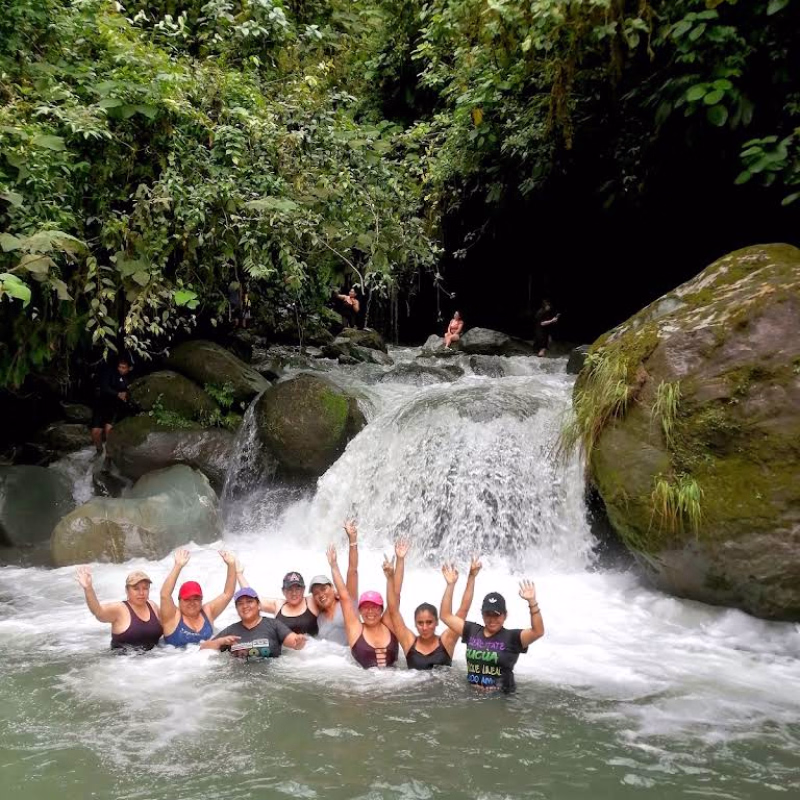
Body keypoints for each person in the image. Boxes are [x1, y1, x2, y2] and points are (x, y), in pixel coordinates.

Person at [236, 520, 361, 639]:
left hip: (323, 651)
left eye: (297, 589)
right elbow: (253, 598)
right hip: (295, 652)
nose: (294, 593)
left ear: (303, 590)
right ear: (283, 591)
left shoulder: (313, 602)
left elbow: (351, 574)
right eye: (290, 589)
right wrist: (239, 574)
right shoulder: (278, 605)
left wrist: (352, 541)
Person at [439, 565, 544, 693]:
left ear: (505, 615)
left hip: (501, 699)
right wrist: (451, 585)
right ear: (482, 614)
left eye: (496, 615)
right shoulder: (472, 631)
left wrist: (532, 602)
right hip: (472, 696)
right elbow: (445, 615)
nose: (492, 619)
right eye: (488, 614)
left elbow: (538, 631)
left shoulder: (512, 638)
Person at [382, 547, 480, 670]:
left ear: (437, 622)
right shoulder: (408, 642)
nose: (424, 627)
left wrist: (470, 577)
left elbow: (463, 610)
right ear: (415, 624)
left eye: (429, 622)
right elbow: (393, 610)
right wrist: (390, 577)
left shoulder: (447, 641)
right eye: (420, 623)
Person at [327, 543, 398, 669]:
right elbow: (344, 597)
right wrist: (334, 566)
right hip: (363, 680)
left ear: (381, 610)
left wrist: (391, 577)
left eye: (374, 607)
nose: (370, 611)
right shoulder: (355, 629)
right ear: (359, 611)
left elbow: (395, 598)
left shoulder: (389, 624)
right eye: (365, 607)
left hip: (398, 678)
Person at [200, 587, 307, 660]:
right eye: (240, 603)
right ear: (236, 609)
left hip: (271, 677)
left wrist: (299, 642)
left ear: (259, 605)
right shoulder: (231, 630)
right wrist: (221, 641)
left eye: (249, 601)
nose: (245, 606)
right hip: (239, 681)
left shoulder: (273, 625)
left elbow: (294, 642)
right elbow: (203, 647)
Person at [160, 549, 238, 647]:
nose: (192, 602)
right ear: (179, 600)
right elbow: (165, 595)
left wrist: (231, 565)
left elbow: (228, 594)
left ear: (201, 600)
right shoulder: (172, 617)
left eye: (196, 599)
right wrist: (178, 566)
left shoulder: (207, 612)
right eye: (187, 599)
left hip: (207, 655)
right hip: (174, 655)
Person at [75, 566, 162, 651]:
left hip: (156, 658)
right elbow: (98, 612)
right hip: (123, 659)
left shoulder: (153, 606)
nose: (141, 593)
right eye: (136, 589)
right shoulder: (119, 609)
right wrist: (88, 588)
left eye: (145, 588)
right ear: (127, 590)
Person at [309, 520, 361, 646]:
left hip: (355, 654)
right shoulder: (319, 619)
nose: (321, 594)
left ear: (333, 588)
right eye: (316, 593)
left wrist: (352, 540)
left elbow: (352, 570)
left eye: (323, 589)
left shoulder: (348, 602)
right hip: (332, 657)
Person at [90, 355, 132, 453]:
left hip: (115, 407)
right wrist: (118, 394)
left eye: (123, 368)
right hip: (101, 404)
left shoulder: (130, 377)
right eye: (120, 367)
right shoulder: (110, 373)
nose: (121, 369)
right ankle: (99, 451)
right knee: (95, 432)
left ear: (129, 368)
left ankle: (109, 455)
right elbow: (104, 387)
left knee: (109, 430)